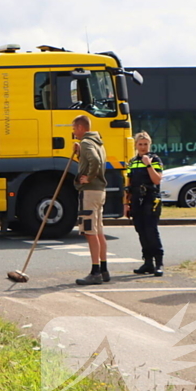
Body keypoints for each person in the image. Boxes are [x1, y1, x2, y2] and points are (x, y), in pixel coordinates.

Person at [72, 115, 109, 285]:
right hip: (100, 191)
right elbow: (93, 159)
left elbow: (95, 160)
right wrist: (80, 154)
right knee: (98, 230)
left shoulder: (87, 143)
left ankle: (95, 272)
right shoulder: (97, 142)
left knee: (89, 231)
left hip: (90, 191)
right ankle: (103, 268)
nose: (73, 131)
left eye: (74, 128)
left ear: (80, 127)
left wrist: (89, 177)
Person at [126, 131, 164, 276]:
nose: (143, 147)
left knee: (151, 230)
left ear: (150, 145)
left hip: (151, 197)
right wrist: (126, 203)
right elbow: (128, 183)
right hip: (136, 198)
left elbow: (157, 180)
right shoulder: (132, 161)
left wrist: (148, 165)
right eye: (140, 144)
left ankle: (159, 263)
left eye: (145, 144)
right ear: (136, 145)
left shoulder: (155, 159)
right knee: (140, 230)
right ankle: (148, 263)